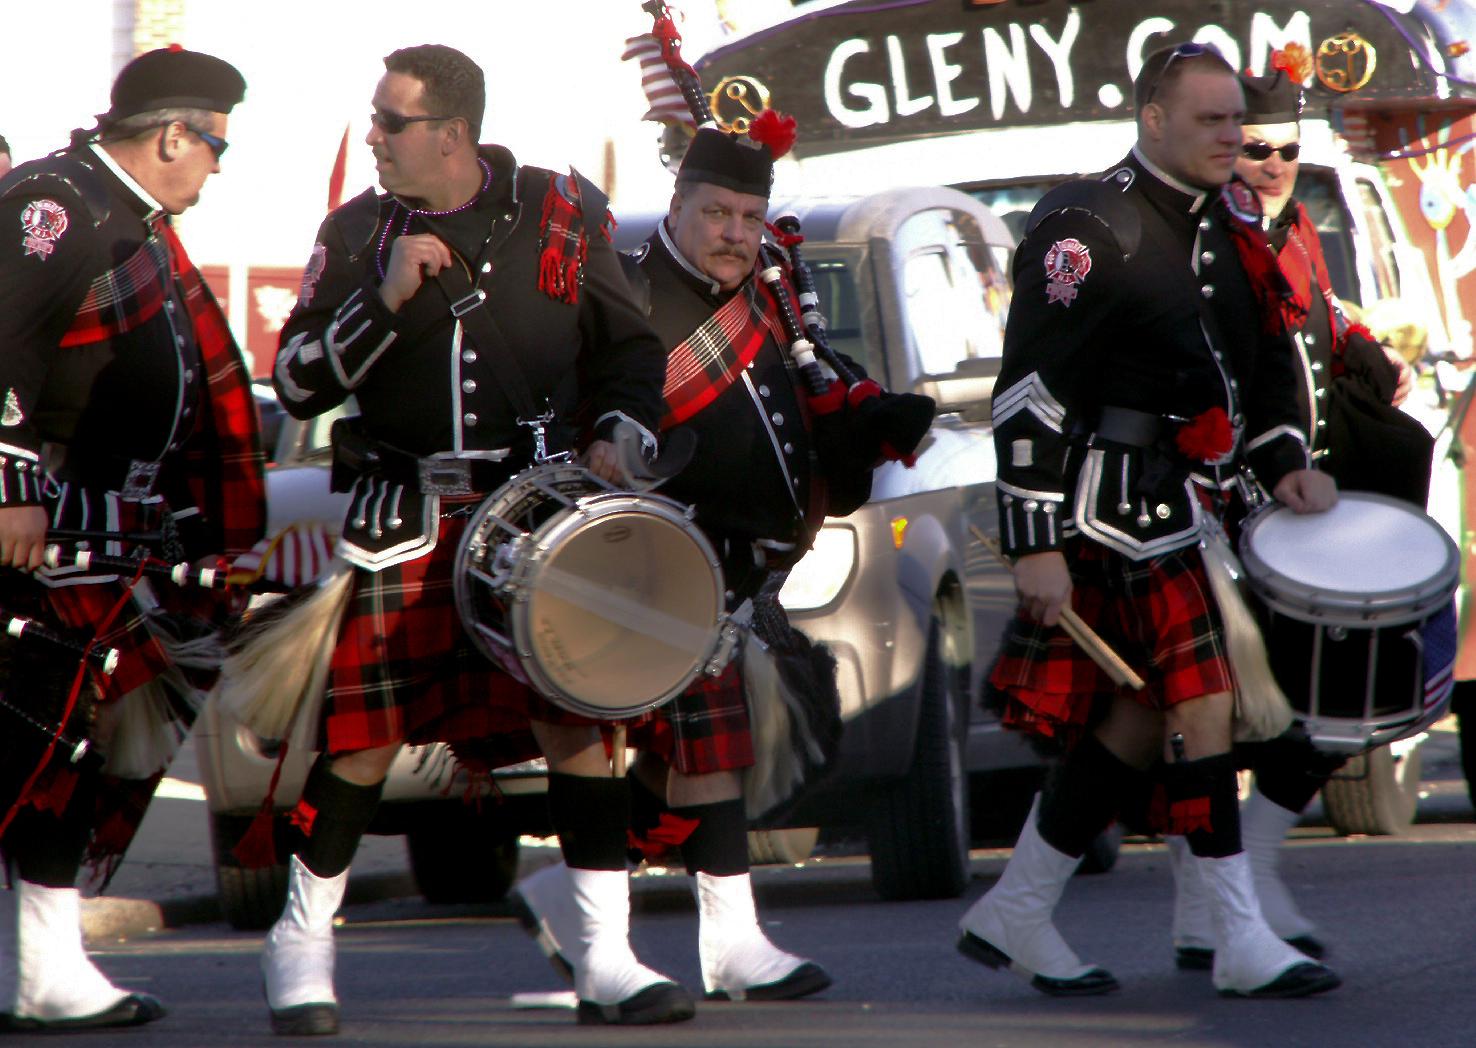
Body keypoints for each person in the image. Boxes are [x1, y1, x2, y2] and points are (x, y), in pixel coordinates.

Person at [260, 44, 685, 1034]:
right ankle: (301, 944)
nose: (373, 137)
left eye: (389, 122)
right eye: (375, 120)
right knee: (361, 745)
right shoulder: (360, 229)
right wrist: (387, 299)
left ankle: (608, 956)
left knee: (579, 730)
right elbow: (297, 383)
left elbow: (628, 348)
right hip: (406, 517)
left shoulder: (561, 209)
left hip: (534, 518)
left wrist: (625, 431)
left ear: (449, 132)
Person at [508, 110, 931, 1005]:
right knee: (600, 748)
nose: (735, 234)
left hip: (737, 574)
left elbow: (809, 388)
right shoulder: (624, 297)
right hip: (639, 570)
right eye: (716, 214)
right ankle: (601, 945)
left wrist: (867, 420)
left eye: (748, 216)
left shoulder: (768, 293)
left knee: (706, 760)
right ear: (679, 202)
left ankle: (729, 941)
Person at [954, 42, 1342, 1000]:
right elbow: (1030, 392)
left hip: (1190, 504)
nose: (1232, 136)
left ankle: (1016, 909)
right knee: (1203, 702)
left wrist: (1286, 462)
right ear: (1152, 119)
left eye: (1236, 120)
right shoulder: (1091, 221)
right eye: (1210, 120)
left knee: (1135, 717)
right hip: (1108, 510)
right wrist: (1034, 541)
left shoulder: (1223, 227)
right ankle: (1238, 936)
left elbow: (1253, 373)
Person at [0, 47, 264, 1030]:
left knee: (68, 754)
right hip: (42, 535)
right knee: (21, 748)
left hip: (106, 535)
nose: (219, 166)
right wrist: (8, 483)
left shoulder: (126, 220)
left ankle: (48, 969)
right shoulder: (57, 202)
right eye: (216, 145)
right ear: (169, 135)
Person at [1166, 62, 1429, 970]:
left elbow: (1315, 324)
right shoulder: (1207, 236)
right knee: (1231, 713)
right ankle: (1219, 896)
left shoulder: (1296, 228)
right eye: (1256, 147)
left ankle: (1234, 885)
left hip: (1309, 500)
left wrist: (1359, 344)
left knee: (1339, 693)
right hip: (1236, 505)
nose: (1273, 164)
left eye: (1287, 149)